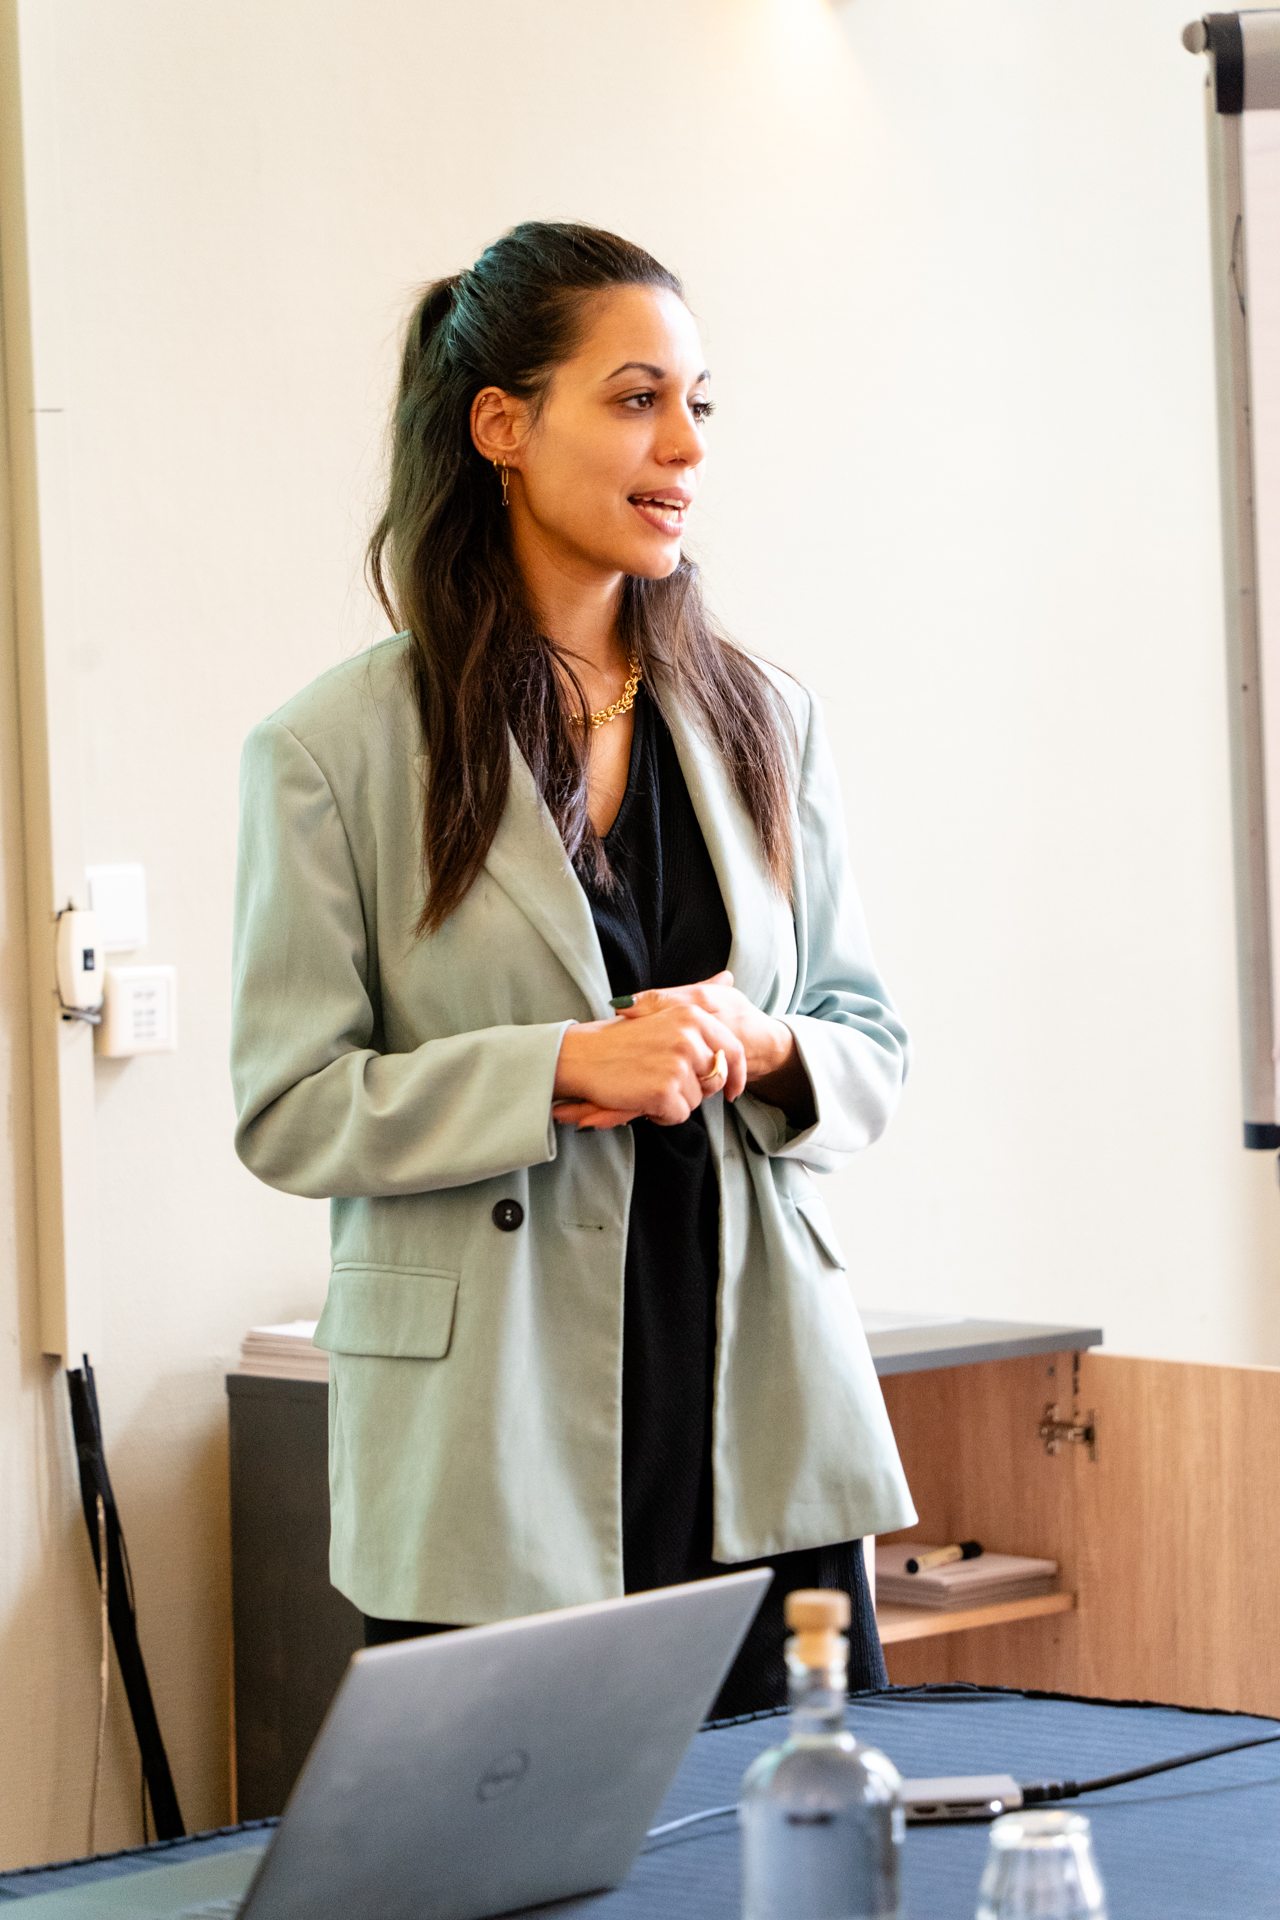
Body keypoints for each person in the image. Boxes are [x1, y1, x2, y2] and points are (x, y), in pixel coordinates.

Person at [231, 221, 915, 1715]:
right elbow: (289, 1109)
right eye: (635, 398)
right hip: (495, 1444)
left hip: (754, 1406)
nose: (685, 445)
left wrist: (765, 1043)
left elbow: (868, 1040)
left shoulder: (766, 719)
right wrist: (556, 1068)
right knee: (516, 1835)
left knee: (798, 1816)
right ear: (502, 426)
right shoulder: (332, 751)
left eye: (698, 403)